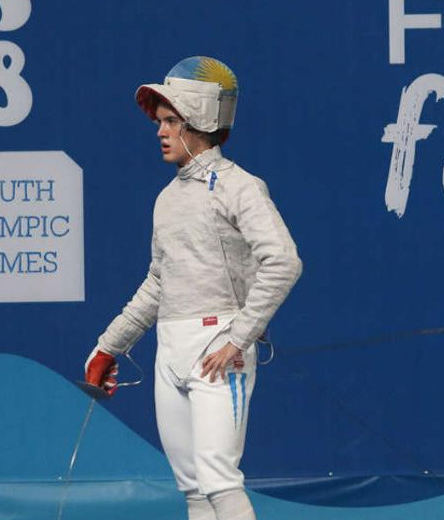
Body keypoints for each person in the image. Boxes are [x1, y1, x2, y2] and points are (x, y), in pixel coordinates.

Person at [84, 56, 302, 520]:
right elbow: (158, 284)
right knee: (195, 491)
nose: (160, 131)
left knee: (220, 481)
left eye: (170, 121)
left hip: (219, 349)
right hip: (171, 351)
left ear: (199, 121)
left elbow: (283, 262)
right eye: (160, 122)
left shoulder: (239, 187)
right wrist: (108, 348)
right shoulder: (167, 199)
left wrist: (238, 337)